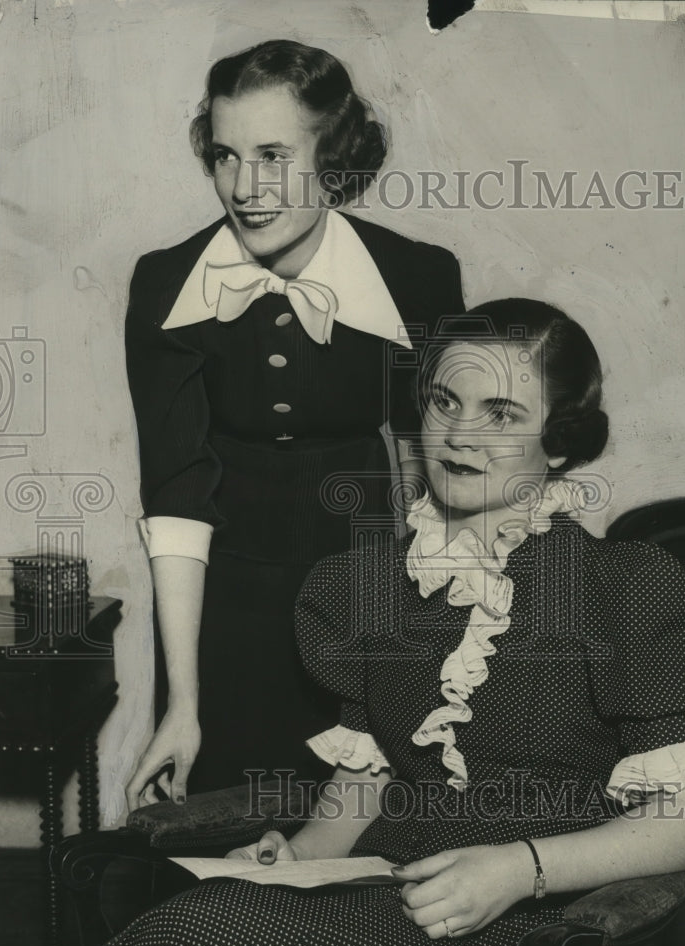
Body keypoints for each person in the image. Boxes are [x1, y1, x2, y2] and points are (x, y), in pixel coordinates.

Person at [89, 298, 685, 946]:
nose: (460, 435)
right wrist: (300, 855)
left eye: (502, 414)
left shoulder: (622, 586)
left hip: (529, 925)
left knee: (195, 944)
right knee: (189, 927)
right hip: (384, 895)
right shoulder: (367, 585)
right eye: (444, 402)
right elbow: (366, 779)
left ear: (559, 439)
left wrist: (521, 870)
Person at [124, 39, 465, 804]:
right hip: (223, 601)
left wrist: (424, 632)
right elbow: (175, 499)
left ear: (334, 154)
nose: (245, 187)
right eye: (225, 155)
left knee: (376, 826)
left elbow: (442, 472)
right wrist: (184, 704)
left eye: (274, 154)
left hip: (376, 584)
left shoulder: (418, 277)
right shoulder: (164, 285)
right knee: (224, 822)